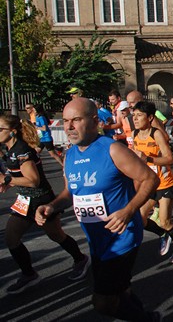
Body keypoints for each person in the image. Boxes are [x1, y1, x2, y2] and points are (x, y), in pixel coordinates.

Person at [35, 98, 161, 320]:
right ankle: (147, 316)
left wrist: (128, 210)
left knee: (102, 302)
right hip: (96, 239)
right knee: (121, 290)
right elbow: (70, 193)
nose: (68, 127)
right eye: (65, 121)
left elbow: (150, 178)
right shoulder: (70, 155)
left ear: (94, 121)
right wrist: (51, 206)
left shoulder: (113, 150)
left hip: (121, 237)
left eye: (76, 120)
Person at [1, 114, 89, 294]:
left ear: (12, 132)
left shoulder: (22, 151)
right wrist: (7, 183)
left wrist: (8, 179)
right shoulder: (9, 149)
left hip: (41, 199)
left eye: (0, 129)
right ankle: (29, 274)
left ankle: (81, 259)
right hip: (24, 201)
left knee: (56, 235)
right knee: (11, 237)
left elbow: (33, 180)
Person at [132, 101, 173, 263]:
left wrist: (147, 158)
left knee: (165, 221)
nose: (135, 119)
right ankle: (163, 235)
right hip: (148, 184)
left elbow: (170, 158)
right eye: (134, 115)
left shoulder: (156, 134)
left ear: (150, 118)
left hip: (164, 183)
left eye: (139, 115)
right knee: (140, 218)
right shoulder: (135, 134)